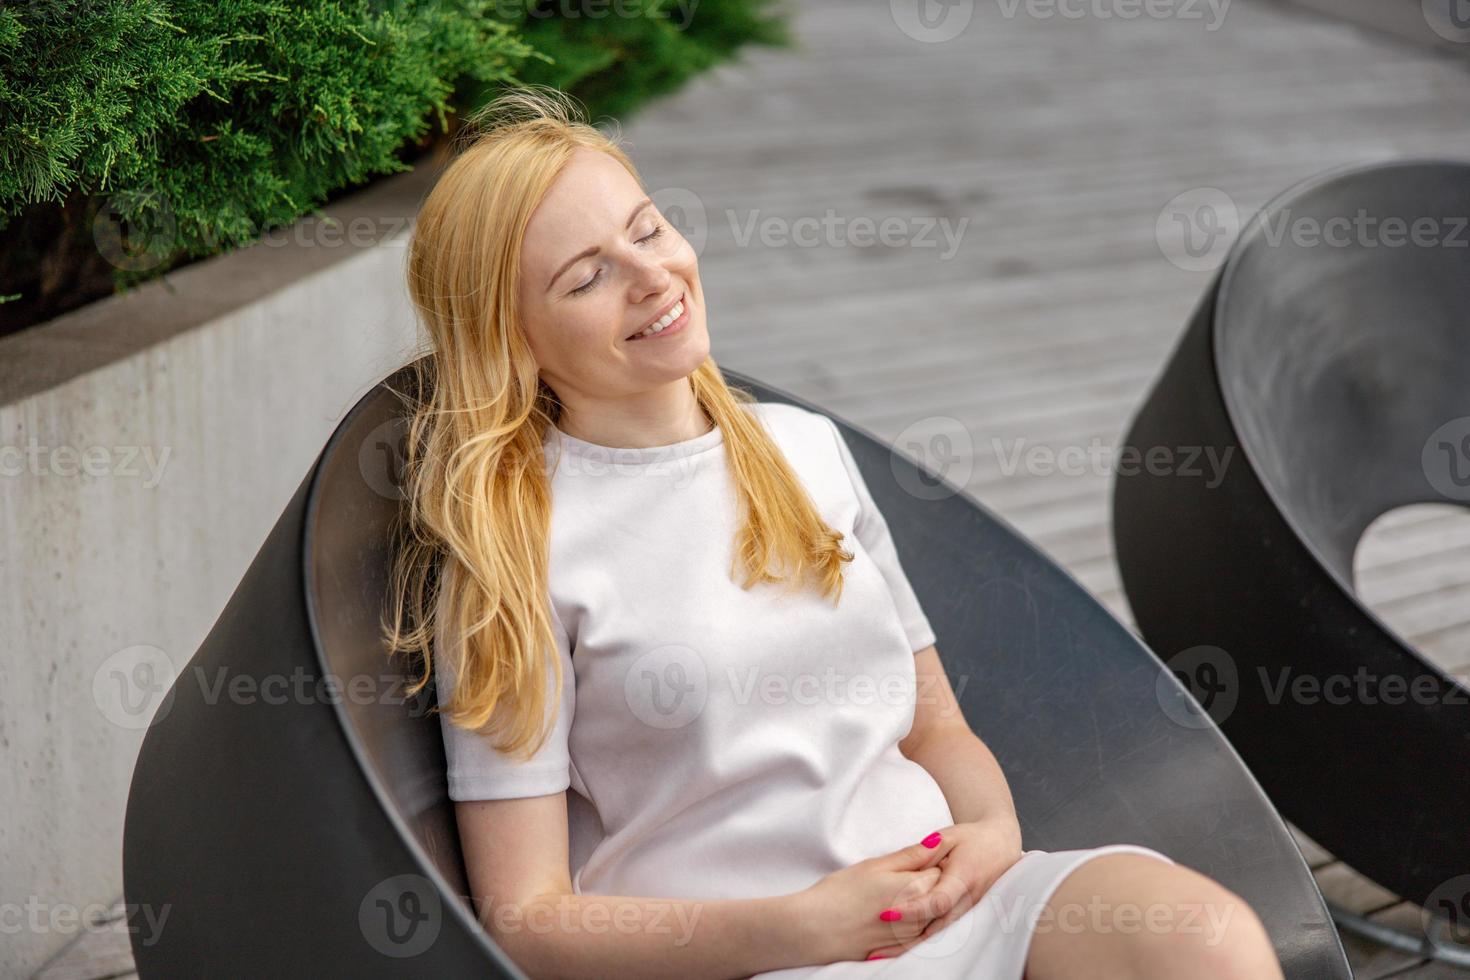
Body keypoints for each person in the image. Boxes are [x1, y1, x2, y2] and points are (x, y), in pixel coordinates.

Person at [383, 84, 1286, 980]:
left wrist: (991, 837)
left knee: (1203, 940)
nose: (652, 275)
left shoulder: (803, 449)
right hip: (756, 958)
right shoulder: (515, 556)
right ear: (515, 342)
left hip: (946, 903)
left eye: (648, 229)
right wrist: (802, 927)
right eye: (587, 276)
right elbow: (525, 919)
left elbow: (935, 730)